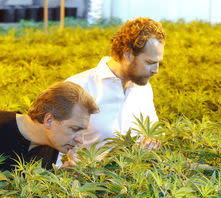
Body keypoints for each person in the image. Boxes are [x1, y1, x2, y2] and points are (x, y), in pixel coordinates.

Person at [66, 17, 165, 152]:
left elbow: (155, 133)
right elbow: (57, 152)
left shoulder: (144, 89)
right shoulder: (78, 87)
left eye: (158, 62)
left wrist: (152, 143)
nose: (156, 70)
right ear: (128, 54)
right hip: (86, 173)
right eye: (149, 62)